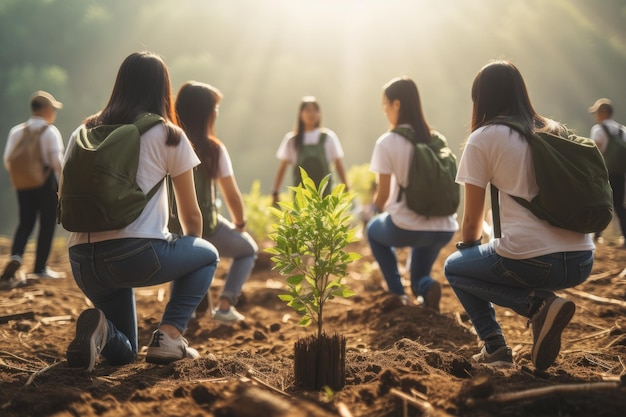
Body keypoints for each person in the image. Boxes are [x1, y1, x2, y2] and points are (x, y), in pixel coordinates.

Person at [62, 51, 219, 372]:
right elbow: (191, 217)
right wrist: (187, 276)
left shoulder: (84, 132)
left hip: (81, 261)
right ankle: (171, 336)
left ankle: (102, 331)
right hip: (135, 255)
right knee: (208, 254)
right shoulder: (168, 134)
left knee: (127, 350)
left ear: (120, 85)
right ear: (163, 89)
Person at [444, 60, 594, 370]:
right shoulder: (555, 129)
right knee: (476, 263)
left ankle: (505, 336)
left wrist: (468, 252)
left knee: (455, 268)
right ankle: (541, 307)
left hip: (533, 263)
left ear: (481, 99)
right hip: (581, 260)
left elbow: (471, 223)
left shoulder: (483, 138)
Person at [366, 76, 458, 312]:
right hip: (444, 227)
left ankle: (398, 294)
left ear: (396, 105)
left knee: (373, 232)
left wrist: (373, 211)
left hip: (406, 225)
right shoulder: (436, 139)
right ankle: (425, 287)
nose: (385, 111)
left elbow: (383, 196)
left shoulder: (387, 142)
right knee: (418, 276)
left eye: (386, 105)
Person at [174, 81, 258, 323]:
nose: (217, 113)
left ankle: (186, 313)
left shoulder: (167, 142)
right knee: (248, 250)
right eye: (215, 108)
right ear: (206, 113)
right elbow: (231, 194)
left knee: (185, 259)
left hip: (172, 228)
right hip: (206, 226)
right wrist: (240, 223)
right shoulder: (213, 149)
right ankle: (224, 306)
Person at [0, 91, 65, 291]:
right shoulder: (50, 131)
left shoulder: (17, 131)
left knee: (25, 223)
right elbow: (57, 163)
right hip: (45, 185)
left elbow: (8, 160)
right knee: (46, 224)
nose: (53, 112)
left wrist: (23, 177)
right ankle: (40, 267)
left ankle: (16, 255)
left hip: (23, 185)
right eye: (53, 109)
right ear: (45, 109)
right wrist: (65, 183)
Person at [271, 96, 349, 204]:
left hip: (325, 194)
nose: (311, 114)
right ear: (300, 114)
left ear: (319, 114)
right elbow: (282, 167)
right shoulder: (292, 140)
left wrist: (346, 186)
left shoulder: (328, 137)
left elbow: (338, 164)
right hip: (301, 196)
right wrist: (275, 191)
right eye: (308, 110)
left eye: (315, 110)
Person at [589, 98, 626, 245]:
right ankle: (624, 237)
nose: (595, 116)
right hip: (619, 173)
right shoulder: (622, 130)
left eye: (596, 112)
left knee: (599, 202)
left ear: (603, 113)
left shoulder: (598, 129)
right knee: (618, 205)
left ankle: (596, 236)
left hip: (602, 173)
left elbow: (595, 152)